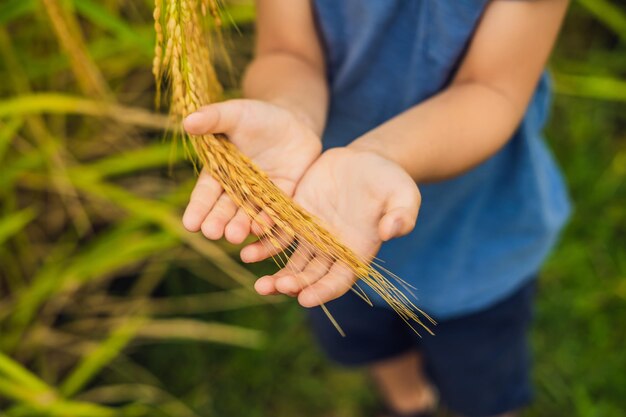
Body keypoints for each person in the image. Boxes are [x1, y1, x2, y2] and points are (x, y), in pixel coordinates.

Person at [181, 1, 571, 416]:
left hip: (473, 238)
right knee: (370, 341)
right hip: (329, 219)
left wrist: (380, 154)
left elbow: (491, 89)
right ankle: (408, 403)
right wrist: (290, 113)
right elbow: (287, 51)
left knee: (481, 381)